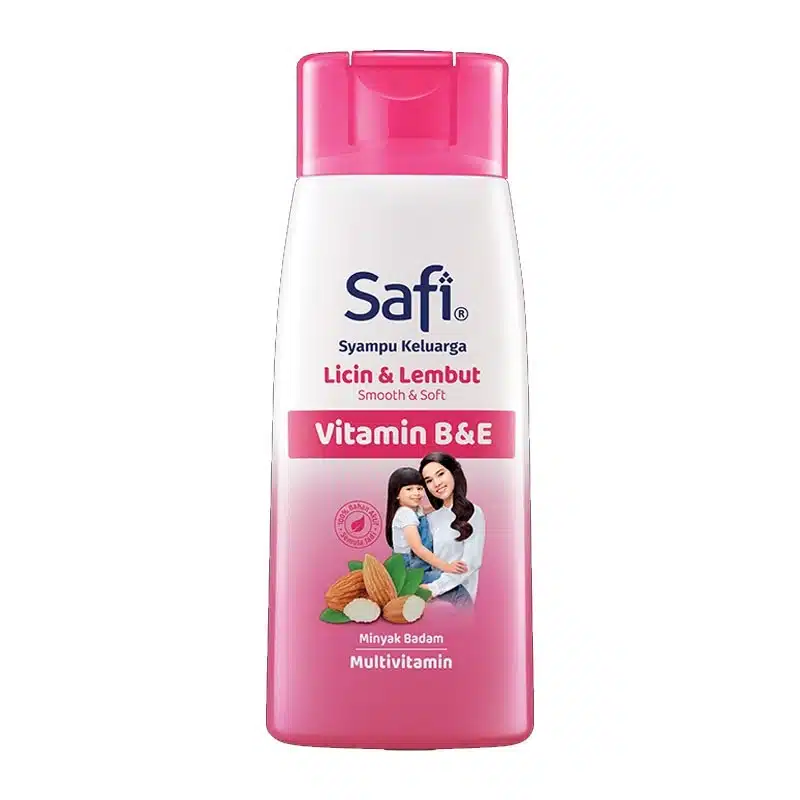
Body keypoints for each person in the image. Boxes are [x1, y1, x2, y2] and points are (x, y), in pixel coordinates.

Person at [419, 452, 486, 607]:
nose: (436, 483)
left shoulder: (472, 512)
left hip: (458, 596)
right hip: (430, 596)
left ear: (453, 473)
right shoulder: (430, 518)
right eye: (429, 480)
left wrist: (434, 588)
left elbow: (471, 562)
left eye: (440, 474)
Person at [385, 466, 468, 583]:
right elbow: (418, 548)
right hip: (410, 569)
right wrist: (446, 566)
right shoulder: (405, 514)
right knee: (451, 580)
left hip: (419, 564)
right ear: (396, 494)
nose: (416, 493)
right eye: (409, 489)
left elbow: (432, 507)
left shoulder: (416, 509)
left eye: (419, 488)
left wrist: (447, 496)